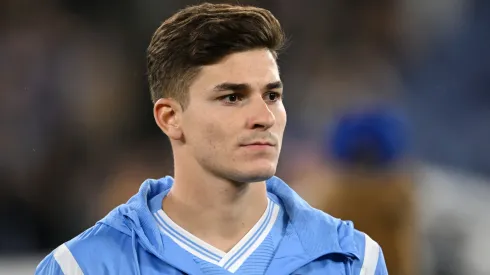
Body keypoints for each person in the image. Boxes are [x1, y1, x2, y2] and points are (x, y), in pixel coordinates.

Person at [36, 3, 388, 274]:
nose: (263, 118)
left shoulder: (351, 261)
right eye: (232, 97)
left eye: (271, 95)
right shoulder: (83, 267)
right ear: (170, 118)